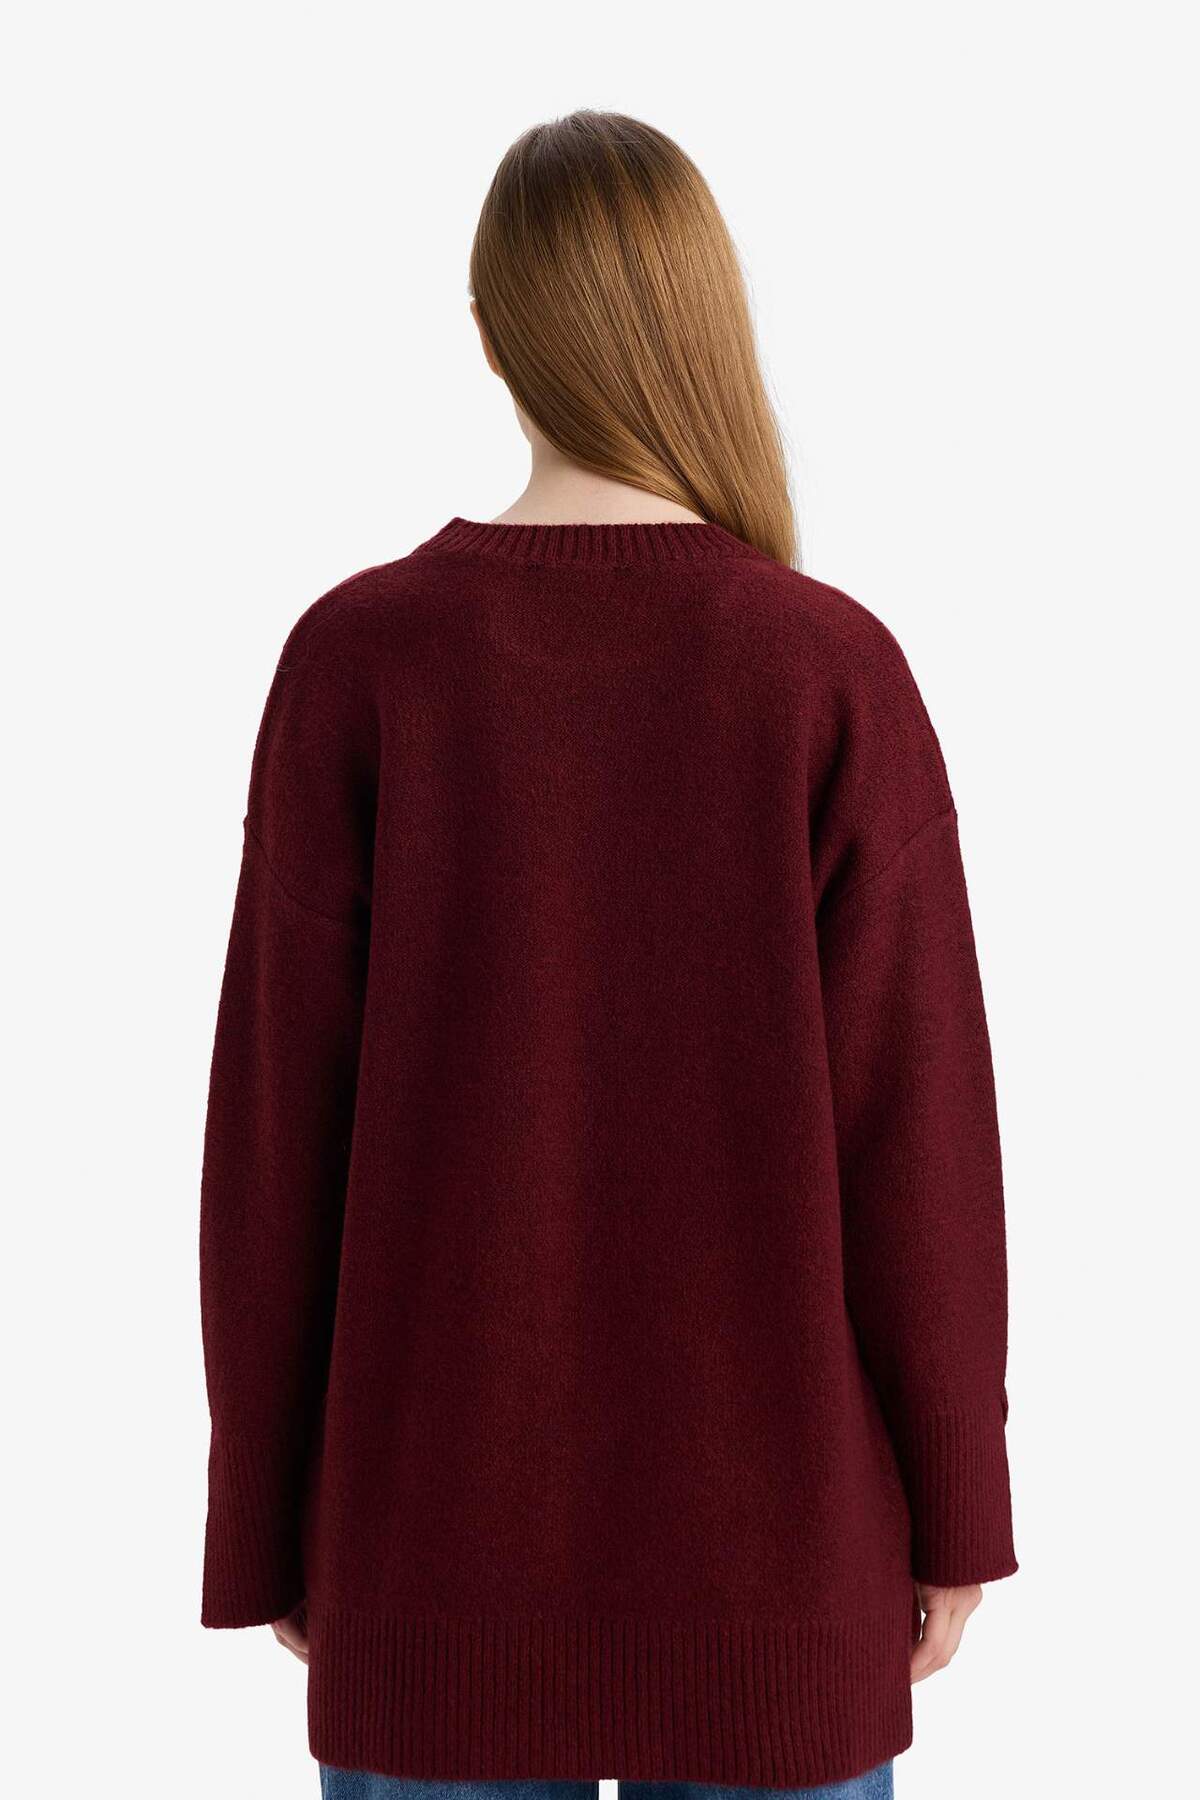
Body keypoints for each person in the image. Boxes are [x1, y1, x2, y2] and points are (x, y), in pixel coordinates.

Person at [200, 111, 1016, 1800]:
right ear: (706, 324)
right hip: (780, 1573)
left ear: (491, 334)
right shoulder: (825, 671)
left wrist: (267, 1511)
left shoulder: (359, 662)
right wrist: (958, 1507)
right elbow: (920, 1137)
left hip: (429, 1556)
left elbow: (277, 1144)